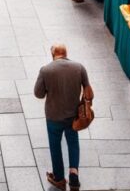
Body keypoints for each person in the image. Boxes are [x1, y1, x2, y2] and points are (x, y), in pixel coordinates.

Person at [34, 43, 92, 191]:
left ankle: (59, 178)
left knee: (55, 146)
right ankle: (74, 175)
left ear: (53, 55)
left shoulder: (46, 70)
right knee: (73, 142)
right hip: (73, 116)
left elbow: (38, 94)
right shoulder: (79, 67)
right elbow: (88, 92)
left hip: (53, 116)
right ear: (66, 54)